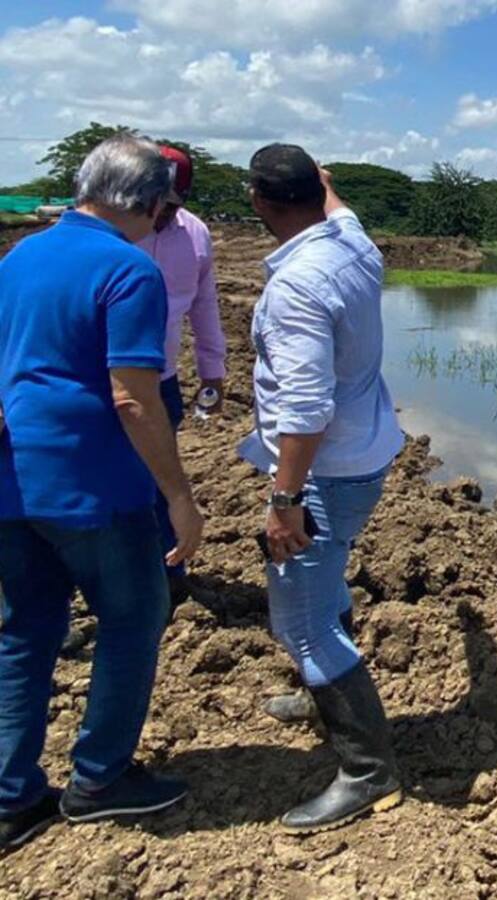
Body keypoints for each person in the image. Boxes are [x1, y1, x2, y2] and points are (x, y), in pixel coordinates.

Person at [0, 135, 204, 850]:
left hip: (14, 480)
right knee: (134, 618)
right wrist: (178, 494)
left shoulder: (21, 256)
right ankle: (99, 780)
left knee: (26, 632)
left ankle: (11, 798)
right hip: (94, 488)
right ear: (152, 204)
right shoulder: (129, 271)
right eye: (166, 208)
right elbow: (133, 399)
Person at [241, 143, 405, 832]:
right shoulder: (353, 245)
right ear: (318, 189)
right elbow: (342, 209)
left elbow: (304, 408)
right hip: (363, 456)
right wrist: (328, 189)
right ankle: (321, 697)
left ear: (259, 202)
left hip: (323, 472)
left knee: (301, 623)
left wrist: (285, 500)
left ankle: (369, 772)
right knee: (326, 582)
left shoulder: (298, 285)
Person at [136, 146, 227, 602]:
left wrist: (212, 369)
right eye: (153, 201)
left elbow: (204, 304)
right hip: (98, 381)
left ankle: (168, 580)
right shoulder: (108, 235)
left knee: (162, 481)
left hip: (162, 379)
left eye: (170, 204)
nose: (158, 213)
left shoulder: (194, 236)